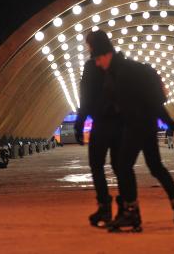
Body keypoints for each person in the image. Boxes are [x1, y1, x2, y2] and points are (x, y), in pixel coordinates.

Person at [85, 30, 174, 232]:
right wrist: (168, 122)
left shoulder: (124, 73)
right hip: (146, 124)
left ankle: (131, 212)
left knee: (123, 167)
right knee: (155, 167)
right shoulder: (120, 70)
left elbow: (148, 100)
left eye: (98, 58)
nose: (97, 63)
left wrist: (169, 122)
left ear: (106, 55)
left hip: (137, 125)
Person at [74, 58, 123, 228]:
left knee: (96, 164)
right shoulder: (120, 63)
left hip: (101, 123)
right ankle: (126, 207)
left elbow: (85, 97)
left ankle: (105, 207)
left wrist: (80, 123)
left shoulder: (91, 66)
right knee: (121, 167)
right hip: (121, 123)